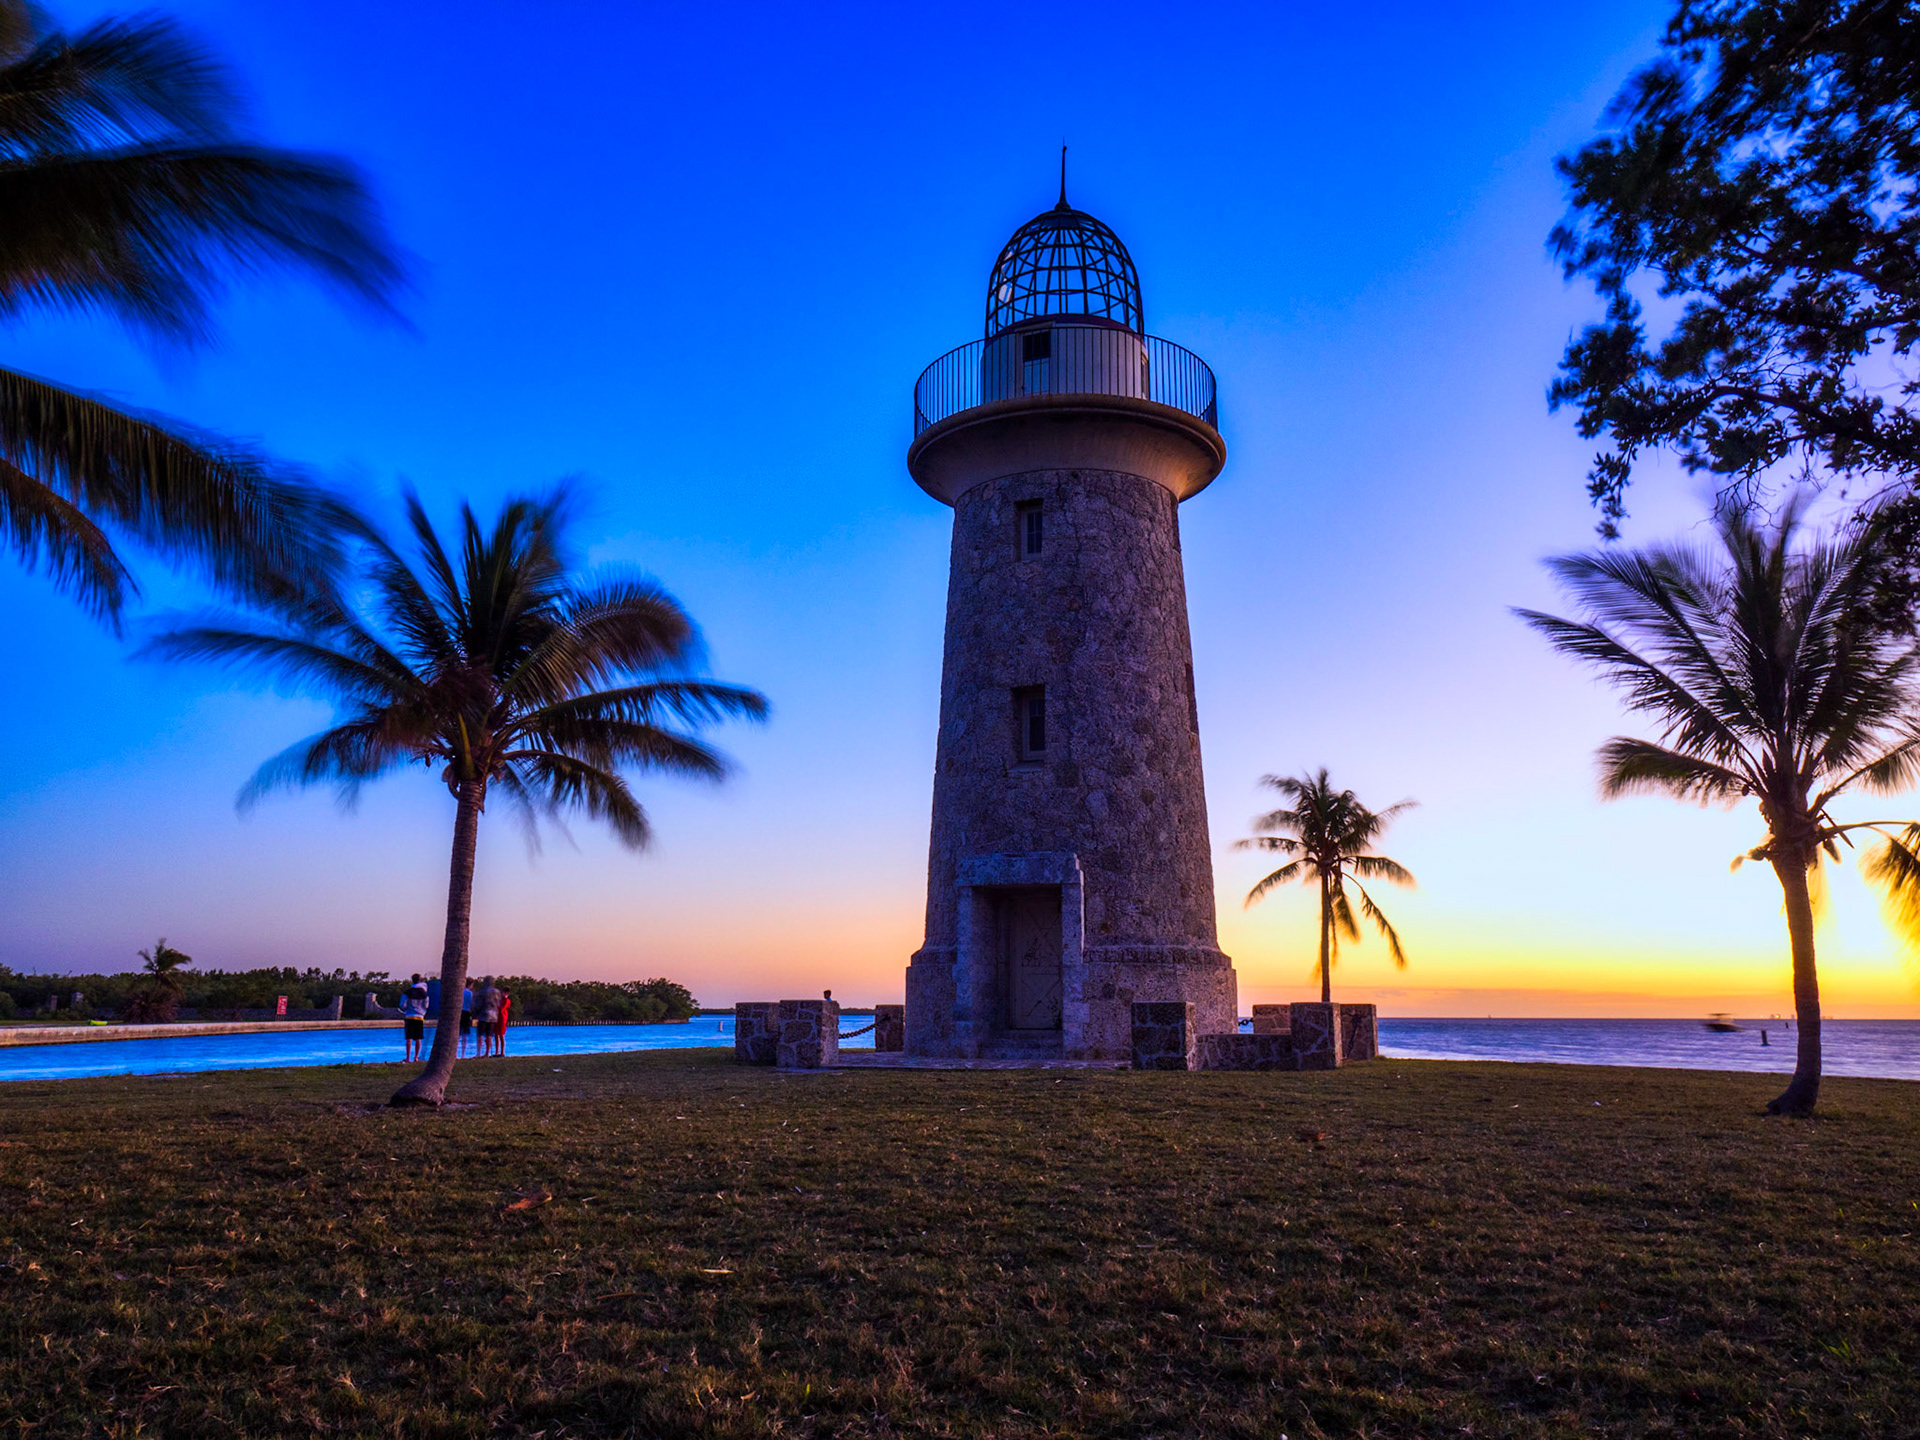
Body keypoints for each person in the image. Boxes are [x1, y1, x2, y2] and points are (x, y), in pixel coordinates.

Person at [400, 977, 429, 1062]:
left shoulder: (407, 992)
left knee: (409, 1037)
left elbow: (402, 1005)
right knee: (418, 1038)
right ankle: (416, 1057)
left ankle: (408, 1057)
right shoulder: (424, 994)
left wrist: (407, 1009)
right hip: (419, 1016)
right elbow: (426, 1005)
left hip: (409, 1016)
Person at [477, 978, 503, 1057]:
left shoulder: (482, 992)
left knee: (480, 1034)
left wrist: (476, 1012)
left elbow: (478, 1004)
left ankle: (479, 1052)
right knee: (489, 1035)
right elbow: (499, 1004)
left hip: (483, 1014)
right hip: (493, 1016)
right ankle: (487, 1053)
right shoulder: (497, 992)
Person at [460, 981, 474, 1056]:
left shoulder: (460, 992)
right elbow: (471, 1004)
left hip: (460, 1012)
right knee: (464, 1034)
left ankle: (455, 1053)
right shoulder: (469, 993)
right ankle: (463, 1054)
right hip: (466, 1012)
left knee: (458, 1033)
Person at [497, 987, 512, 1056]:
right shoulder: (500, 1000)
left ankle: (502, 1052)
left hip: (502, 1018)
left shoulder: (507, 1000)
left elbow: (502, 1009)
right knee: (496, 1034)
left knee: (501, 1035)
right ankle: (497, 1052)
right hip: (497, 1018)